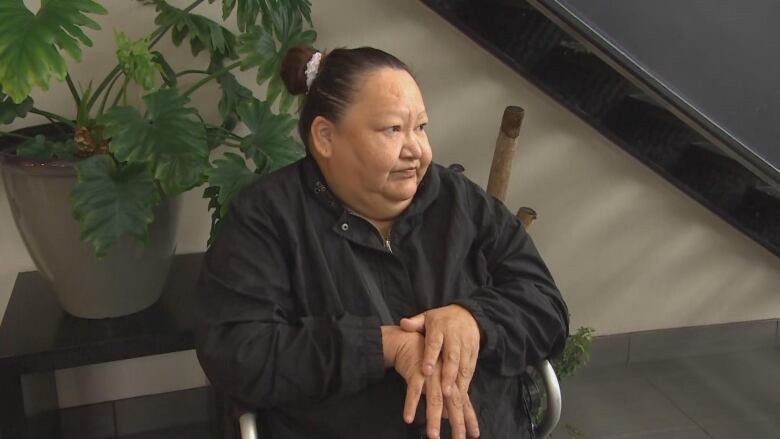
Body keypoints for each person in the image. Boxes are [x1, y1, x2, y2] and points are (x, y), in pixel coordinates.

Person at [193, 45, 570, 439]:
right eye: (393, 129)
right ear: (325, 137)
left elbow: (546, 306)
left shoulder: (460, 202)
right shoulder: (267, 219)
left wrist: (475, 319)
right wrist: (381, 347)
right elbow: (237, 352)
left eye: (420, 128)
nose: (417, 151)